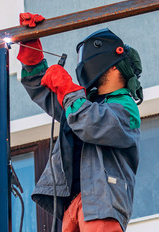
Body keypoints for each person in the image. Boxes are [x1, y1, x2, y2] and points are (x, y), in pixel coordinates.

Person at [17, 12, 143, 232]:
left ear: (114, 65)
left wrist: (67, 88)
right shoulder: (83, 102)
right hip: (72, 207)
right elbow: (46, 92)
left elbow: (90, 123)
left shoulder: (126, 108)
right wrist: (32, 53)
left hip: (102, 203)